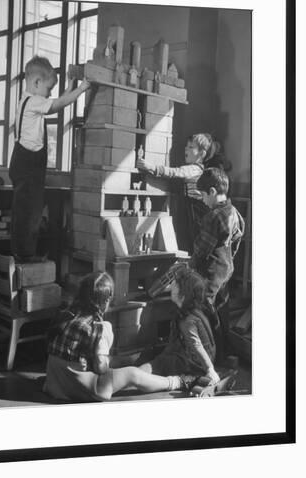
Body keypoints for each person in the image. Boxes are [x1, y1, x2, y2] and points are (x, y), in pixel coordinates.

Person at [43, 271, 200, 402]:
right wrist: (109, 364)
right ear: (105, 302)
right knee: (131, 374)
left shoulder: (65, 316)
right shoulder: (100, 328)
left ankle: (140, 368)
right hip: (81, 387)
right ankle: (177, 382)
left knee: (121, 361)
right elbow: (100, 367)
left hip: (54, 383)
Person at [9, 56, 90, 263]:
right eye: (48, 88)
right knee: (29, 213)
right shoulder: (34, 102)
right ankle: (24, 255)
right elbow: (57, 105)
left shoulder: (29, 100)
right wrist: (82, 89)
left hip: (24, 162)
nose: (50, 93)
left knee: (29, 211)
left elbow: (56, 100)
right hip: (28, 164)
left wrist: (71, 83)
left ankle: (23, 252)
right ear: (36, 83)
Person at [188, 167, 245, 362]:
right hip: (227, 269)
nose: (203, 200)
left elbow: (202, 249)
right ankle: (224, 351)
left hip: (212, 272)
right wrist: (228, 262)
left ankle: (209, 354)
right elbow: (238, 237)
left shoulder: (212, 217)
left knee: (205, 309)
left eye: (203, 195)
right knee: (223, 310)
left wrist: (191, 267)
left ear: (212, 192)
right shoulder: (234, 212)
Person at [136, 133, 229, 244]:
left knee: (192, 236)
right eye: (186, 146)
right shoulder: (196, 168)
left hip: (195, 209)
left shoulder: (194, 169)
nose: (186, 149)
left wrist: (152, 167)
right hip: (190, 207)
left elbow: (175, 172)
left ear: (202, 153)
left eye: (191, 147)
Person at [139, 265, 220, 385]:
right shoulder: (193, 308)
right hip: (193, 356)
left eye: (175, 285)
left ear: (183, 295)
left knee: (159, 363)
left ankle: (134, 375)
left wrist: (210, 370)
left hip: (192, 363)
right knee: (151, 352)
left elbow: (196, 345)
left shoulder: (187, 320)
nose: (171, 286)